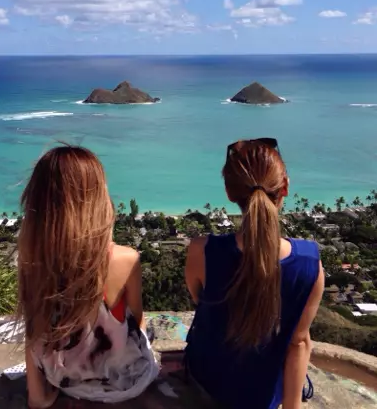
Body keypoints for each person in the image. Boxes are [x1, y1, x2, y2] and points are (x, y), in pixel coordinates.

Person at [185, 138, 324, 409]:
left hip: (209, 381)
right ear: (285, 187)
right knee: (303, 339)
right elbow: (298, 344)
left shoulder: (202, 251)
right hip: (264, 395)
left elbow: (200, 301)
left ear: (229, 192)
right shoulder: (309, 263)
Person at [17, 145, 158, 409]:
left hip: (65, 380)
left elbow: (32, 330)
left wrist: (38, 397)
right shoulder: (125, 259)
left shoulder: (33, 259)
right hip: (126, 383)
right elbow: (137, 326)